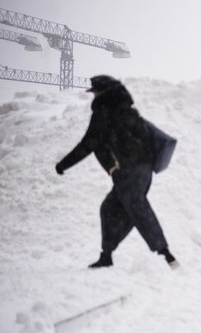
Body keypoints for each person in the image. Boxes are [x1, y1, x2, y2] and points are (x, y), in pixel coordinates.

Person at [55, 75, 178, 269]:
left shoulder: (104, 111)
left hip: (128, 172)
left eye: (95, 92)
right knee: (111, 209)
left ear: (102, 92)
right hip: (143, 171)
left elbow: (88, 143)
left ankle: (166, 255)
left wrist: (63, 165)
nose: (93, 96)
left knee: (137, 210)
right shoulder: (128, 111)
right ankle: (107, 255)